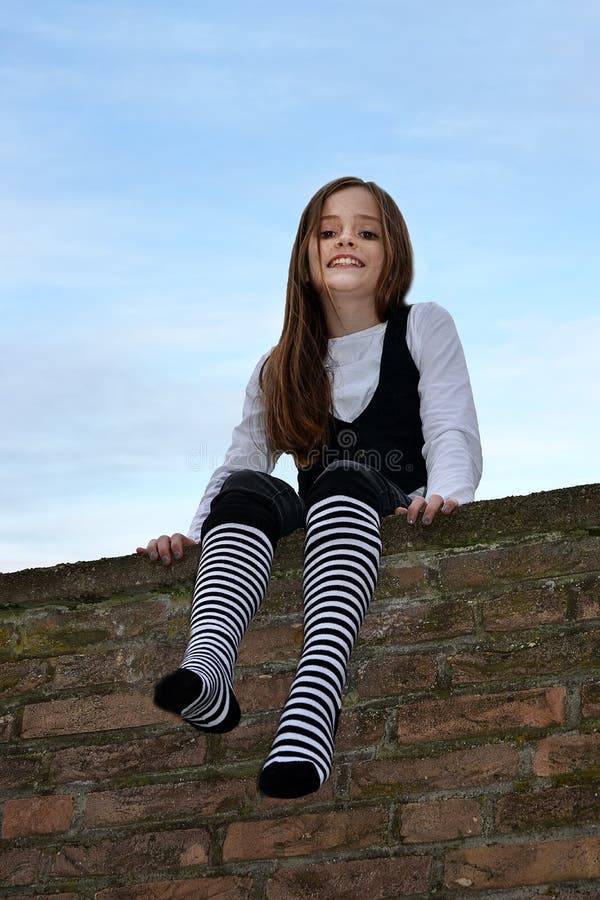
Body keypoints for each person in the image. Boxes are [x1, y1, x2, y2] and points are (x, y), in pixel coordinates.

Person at [136, 175, 482, 799]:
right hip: (319, 512)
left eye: (366, 231)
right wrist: (191, 536)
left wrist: (449, 497)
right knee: (244, 488)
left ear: (392, 251)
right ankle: (208, 673)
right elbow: (238, 459)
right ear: (306, 251)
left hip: (391, 504)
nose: (346, 239)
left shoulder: (424, 325)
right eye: (329, 231)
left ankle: (312, 711)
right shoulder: (279, 365)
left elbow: (451, 428)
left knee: (345, 475)